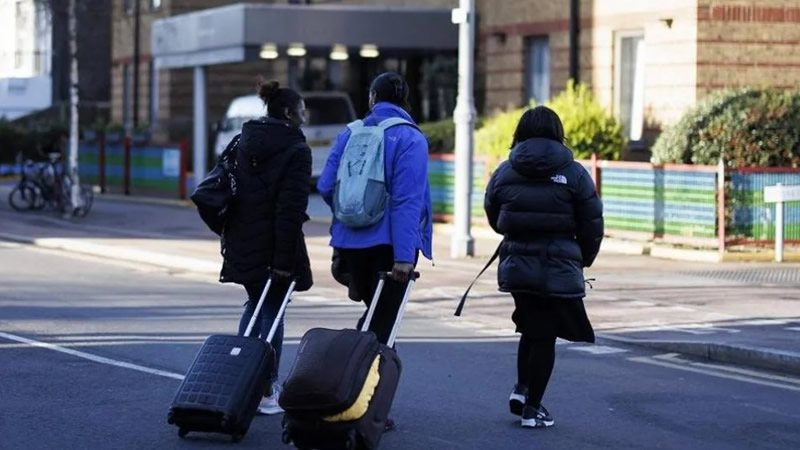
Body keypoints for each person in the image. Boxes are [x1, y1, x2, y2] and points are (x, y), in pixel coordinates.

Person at [317, 73, 432, 428]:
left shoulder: (350, 133)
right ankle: (367, 406)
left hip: (350, 246)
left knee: (372, 320)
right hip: (390, 250)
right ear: (405, 100)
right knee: (383, 330)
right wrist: (403, 255)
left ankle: (354, 394)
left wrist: (350, 220)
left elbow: (325, 185)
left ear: (371, 98)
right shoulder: (410, 137)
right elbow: (407, 201)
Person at [484, 106, 603, 429]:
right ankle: (533, 409)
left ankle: (523, 391)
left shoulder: (505, 170)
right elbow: (592, 223)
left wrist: (517, 232)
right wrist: (582, 257)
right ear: (557, 133)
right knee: (544, 335)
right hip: (557, 265)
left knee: (531, 327)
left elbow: (494, 214)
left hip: (517, 264)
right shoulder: (575, 173)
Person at [220, 79, 313, 415]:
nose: (305, 115)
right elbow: (289, 211)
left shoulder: (244, 140)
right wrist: (284, 261)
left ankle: (239, 376)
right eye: (302, 109)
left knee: (254, 304)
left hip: (242, 240)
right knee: (273, 311)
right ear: (289, 112)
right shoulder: (297, 150)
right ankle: (264, 389)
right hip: (274, 245)